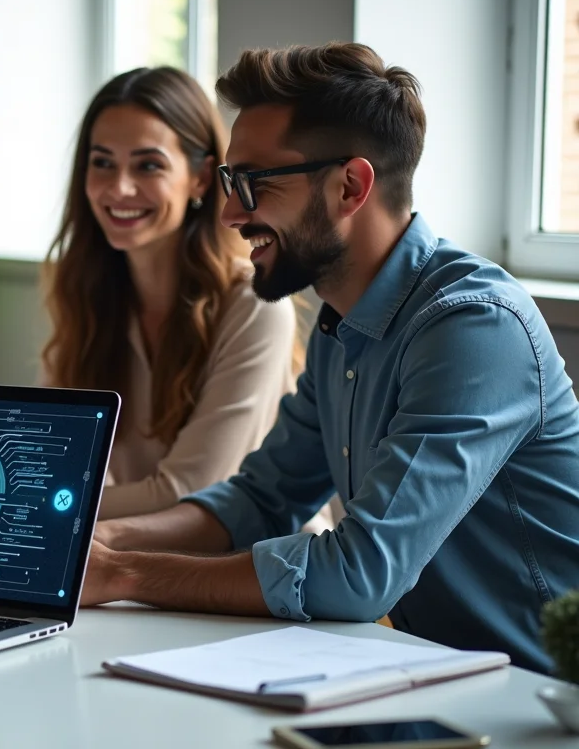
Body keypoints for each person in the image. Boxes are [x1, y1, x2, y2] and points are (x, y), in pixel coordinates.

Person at [80, 42, 579, 674]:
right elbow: (258, 502)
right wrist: (94, 545)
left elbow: (359, 574)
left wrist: (124, 574)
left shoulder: (473, 327)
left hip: (544, 699)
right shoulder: (340, 322)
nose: (231, 212)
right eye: (232, 182)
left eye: (254, 184)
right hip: (434, 677)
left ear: (350, 186)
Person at [40, 66, 336, 531]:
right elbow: (55, 460)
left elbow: (187, 491)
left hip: (258, 576)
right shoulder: (90, 296)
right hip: (140, 561)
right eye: (102, 162)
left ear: (200, 178)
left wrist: (34, 503)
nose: (119, 188)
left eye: (148, 165)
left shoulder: (254, 305)